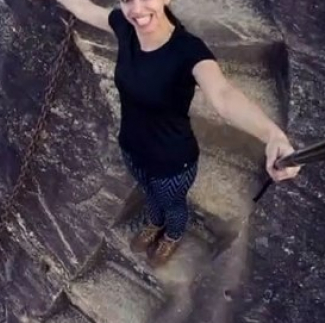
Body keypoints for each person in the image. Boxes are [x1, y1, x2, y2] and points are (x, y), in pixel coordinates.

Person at [55, 0, 301, 266]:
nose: (137, 10)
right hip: (132, 150)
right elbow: (83, 8)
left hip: (172, 163)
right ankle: (154, 223)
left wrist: (272, 134)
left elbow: (224, 96)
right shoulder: (125, 26)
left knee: (172, 204)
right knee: (150, 194)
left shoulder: (188, 51)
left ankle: (171, 235)